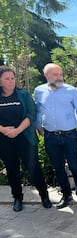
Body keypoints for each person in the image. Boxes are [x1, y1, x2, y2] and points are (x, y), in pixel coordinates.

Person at [34, 63, 77, 210]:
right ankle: (66, 196)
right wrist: (38, 126)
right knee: (58, 168)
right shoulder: (39, 91)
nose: (59, 77)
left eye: (60, 74)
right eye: (55, 75)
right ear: (46, 75)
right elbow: (38, 110)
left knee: (75, 167)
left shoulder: (71, 90)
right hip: (50, 136)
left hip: (70, 135)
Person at [0, 66, 52, 212]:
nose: (11, 81)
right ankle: (17, 198)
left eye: (12, 78)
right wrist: (4, 130)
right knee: (12, 170)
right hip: (4, 139)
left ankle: (44, 196)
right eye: (7, 79)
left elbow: (31, 114)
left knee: (33, 168)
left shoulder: (23, 94)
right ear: (0, 81)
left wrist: (17, 130)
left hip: (24, 137)